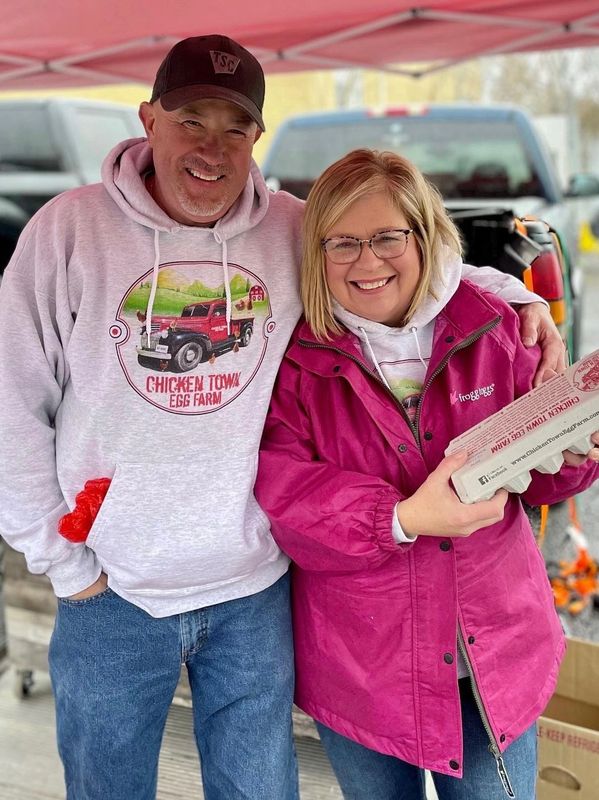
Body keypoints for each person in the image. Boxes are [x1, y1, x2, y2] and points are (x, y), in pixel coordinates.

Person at [0, 33, 566, 800]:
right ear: (147, 119)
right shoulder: (67, 232)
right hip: (114, 590)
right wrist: (64, 564)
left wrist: (517, 295)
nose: (212, 147)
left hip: (251, 589)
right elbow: (11, 403)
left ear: (256, 138)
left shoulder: (285, 227)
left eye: (235, 126)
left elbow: (401, 258)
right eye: (190, 120)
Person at [255, 149, 599, 800]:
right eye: (342, 242)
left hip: (491, 656)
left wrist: (577, 451)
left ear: (425, 233)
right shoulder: (296, 358)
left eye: (387, 236)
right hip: (363, 664)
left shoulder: (498, 325)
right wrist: (402, 516)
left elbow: (540, 481)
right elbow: (285, 497)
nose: (367, 260)